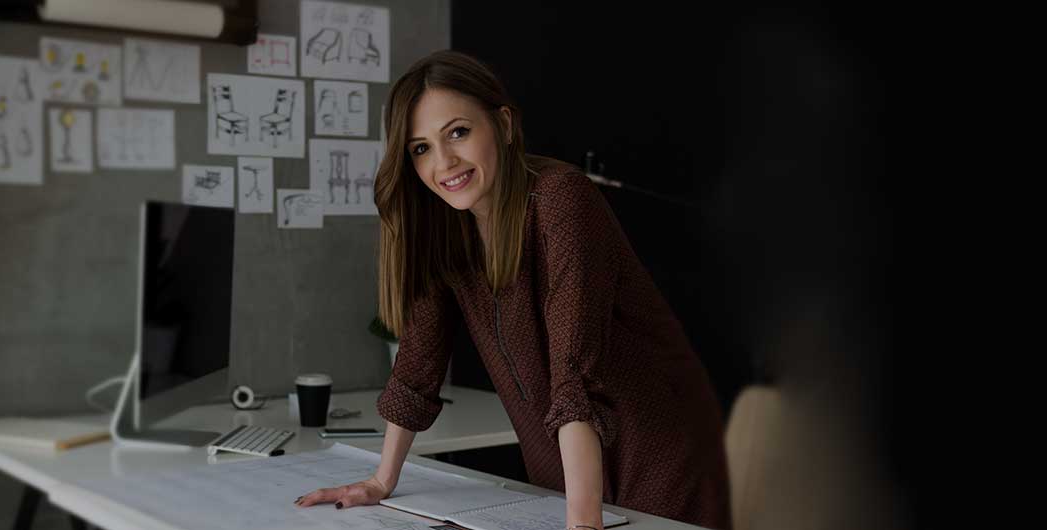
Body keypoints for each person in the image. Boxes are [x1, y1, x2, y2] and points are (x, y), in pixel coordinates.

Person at [294, 50, 730, 530]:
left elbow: (574, 374)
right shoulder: (445, 228)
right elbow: (417, 365)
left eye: (458, 132)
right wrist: (382, 479)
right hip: (560, 463)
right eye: (421, 148)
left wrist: (583, 523)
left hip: (658, 456)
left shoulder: (561, 200)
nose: (444, 162)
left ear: (501, 123)